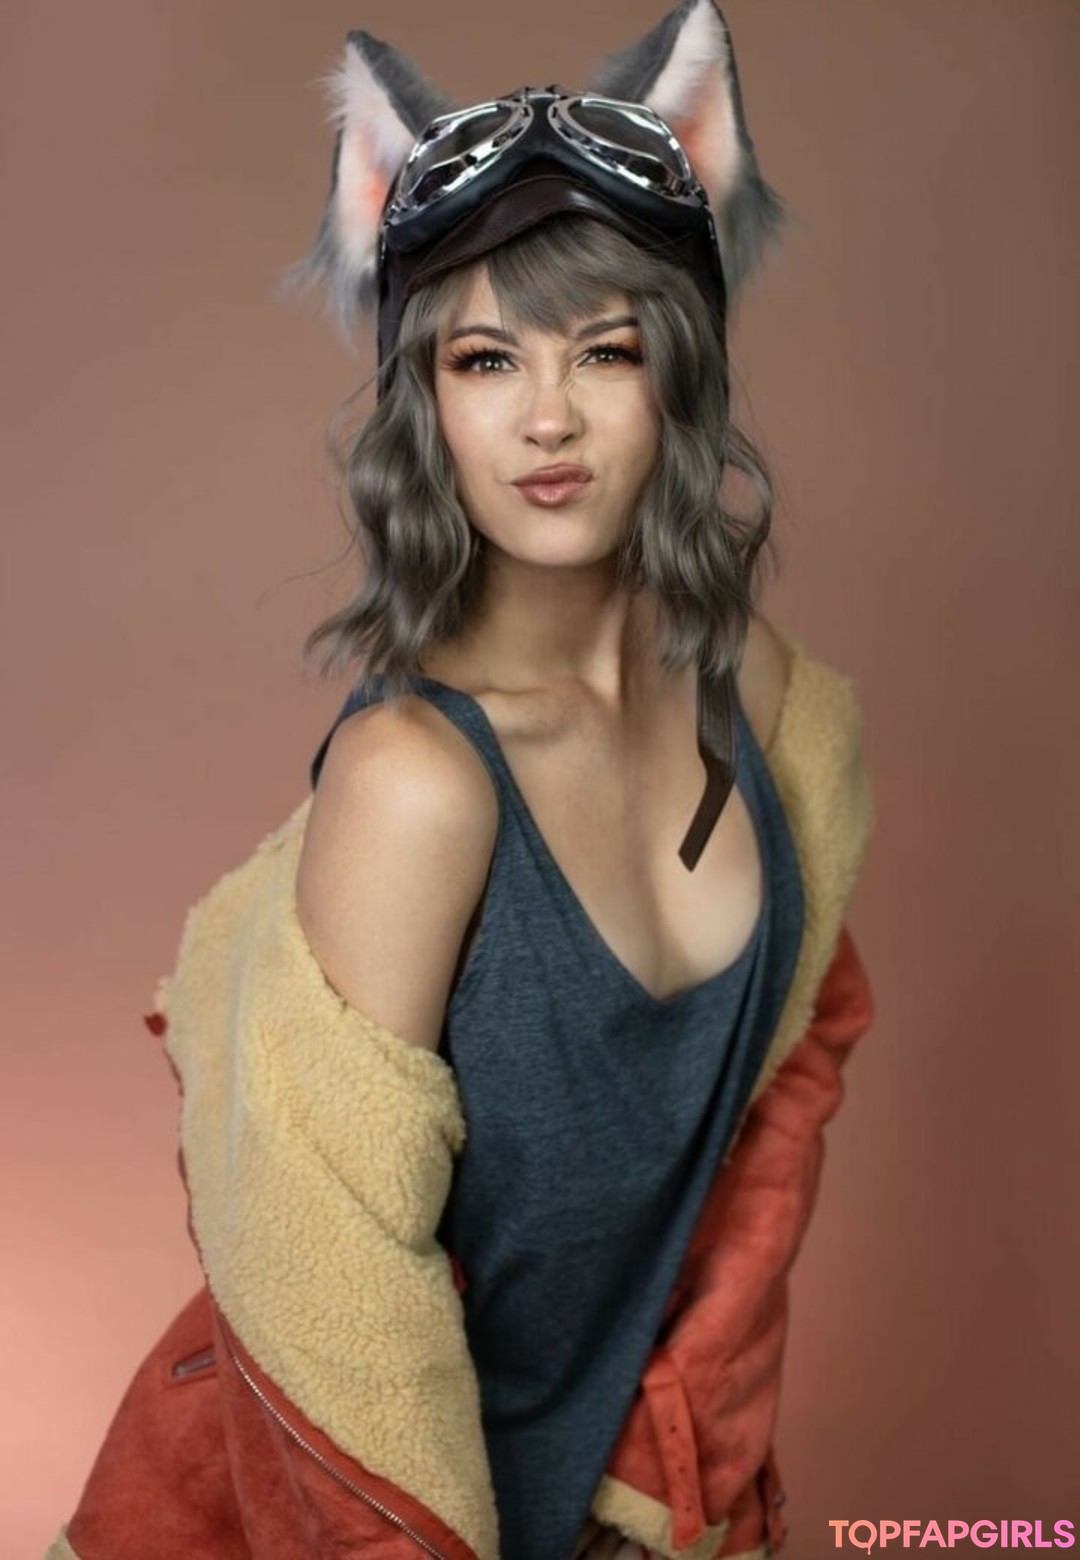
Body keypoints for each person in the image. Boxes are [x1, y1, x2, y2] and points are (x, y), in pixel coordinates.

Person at [47, 3, 876, 1558]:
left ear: (683, 370)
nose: (547, 417)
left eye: (606, 351)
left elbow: (776, 1110)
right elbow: (333, 1287)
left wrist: (668, 1474)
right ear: (424, 396)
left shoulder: (769, 715)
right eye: (485, 358)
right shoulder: (417, 782)